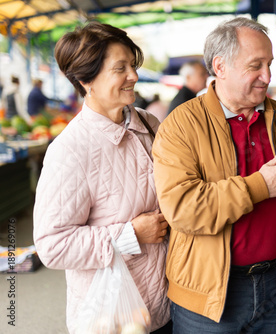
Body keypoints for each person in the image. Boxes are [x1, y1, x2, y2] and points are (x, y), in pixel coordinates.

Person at [152, 17, 276, 333]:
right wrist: (260, 186)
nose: (267, 76)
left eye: (269, 64)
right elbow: (182, 209)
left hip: (274, 283)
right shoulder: (181, 125)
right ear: (220, 66)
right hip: (208, 295)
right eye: (256, 65)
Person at [33, 21, 171, 334]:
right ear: (85, 80)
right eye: (120, 68)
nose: (133, 76)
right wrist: (129, 235)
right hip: (113, 317)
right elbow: (51, 244)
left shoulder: (149, 124)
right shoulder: (69, 151)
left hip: (165, 307)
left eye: (133, 66)